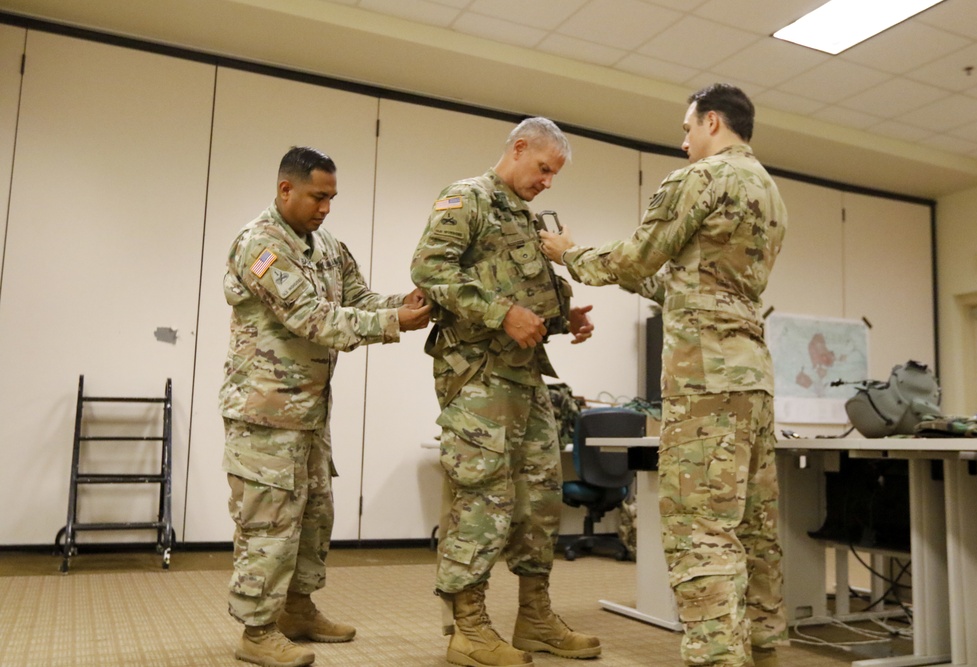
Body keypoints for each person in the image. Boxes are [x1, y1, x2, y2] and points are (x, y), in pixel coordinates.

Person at [540, 84, 788, 667]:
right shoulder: (770, 192)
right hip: (751, 375)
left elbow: (634, 258)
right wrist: (634, 276)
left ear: (712, 121)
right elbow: (680, 282)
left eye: (687, 129)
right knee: (753, 529)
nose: (682, 143)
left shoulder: (699, 179)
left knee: (700, 530)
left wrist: (569, 253)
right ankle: (768, 652)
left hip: (704, 377)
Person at [219, 146, 431, 667]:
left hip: (310, 413)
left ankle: (297, 609)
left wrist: (403, 305)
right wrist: (393, 325)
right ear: (285, 189)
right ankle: (256, 630)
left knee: (314, 516)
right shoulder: (260, 246)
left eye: (332, 197)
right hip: (264, 414)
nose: (326, 208)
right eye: (318, 196)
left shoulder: (328, 246)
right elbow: (312, 318)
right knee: (268, 524)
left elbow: (356, 300)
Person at [410, 117, 600, 667]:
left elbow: (523, 291)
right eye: (543, 168)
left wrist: (565, 317)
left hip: (525, 377)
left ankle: (534, 619)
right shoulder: (466, 197)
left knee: (541, 500)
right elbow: (430, 268)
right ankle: (469, 628)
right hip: (478, 376)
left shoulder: (526, 217)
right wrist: (502, 313)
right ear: (518, 149)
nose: (547, 182)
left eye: (554, 175)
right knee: (481, 500)